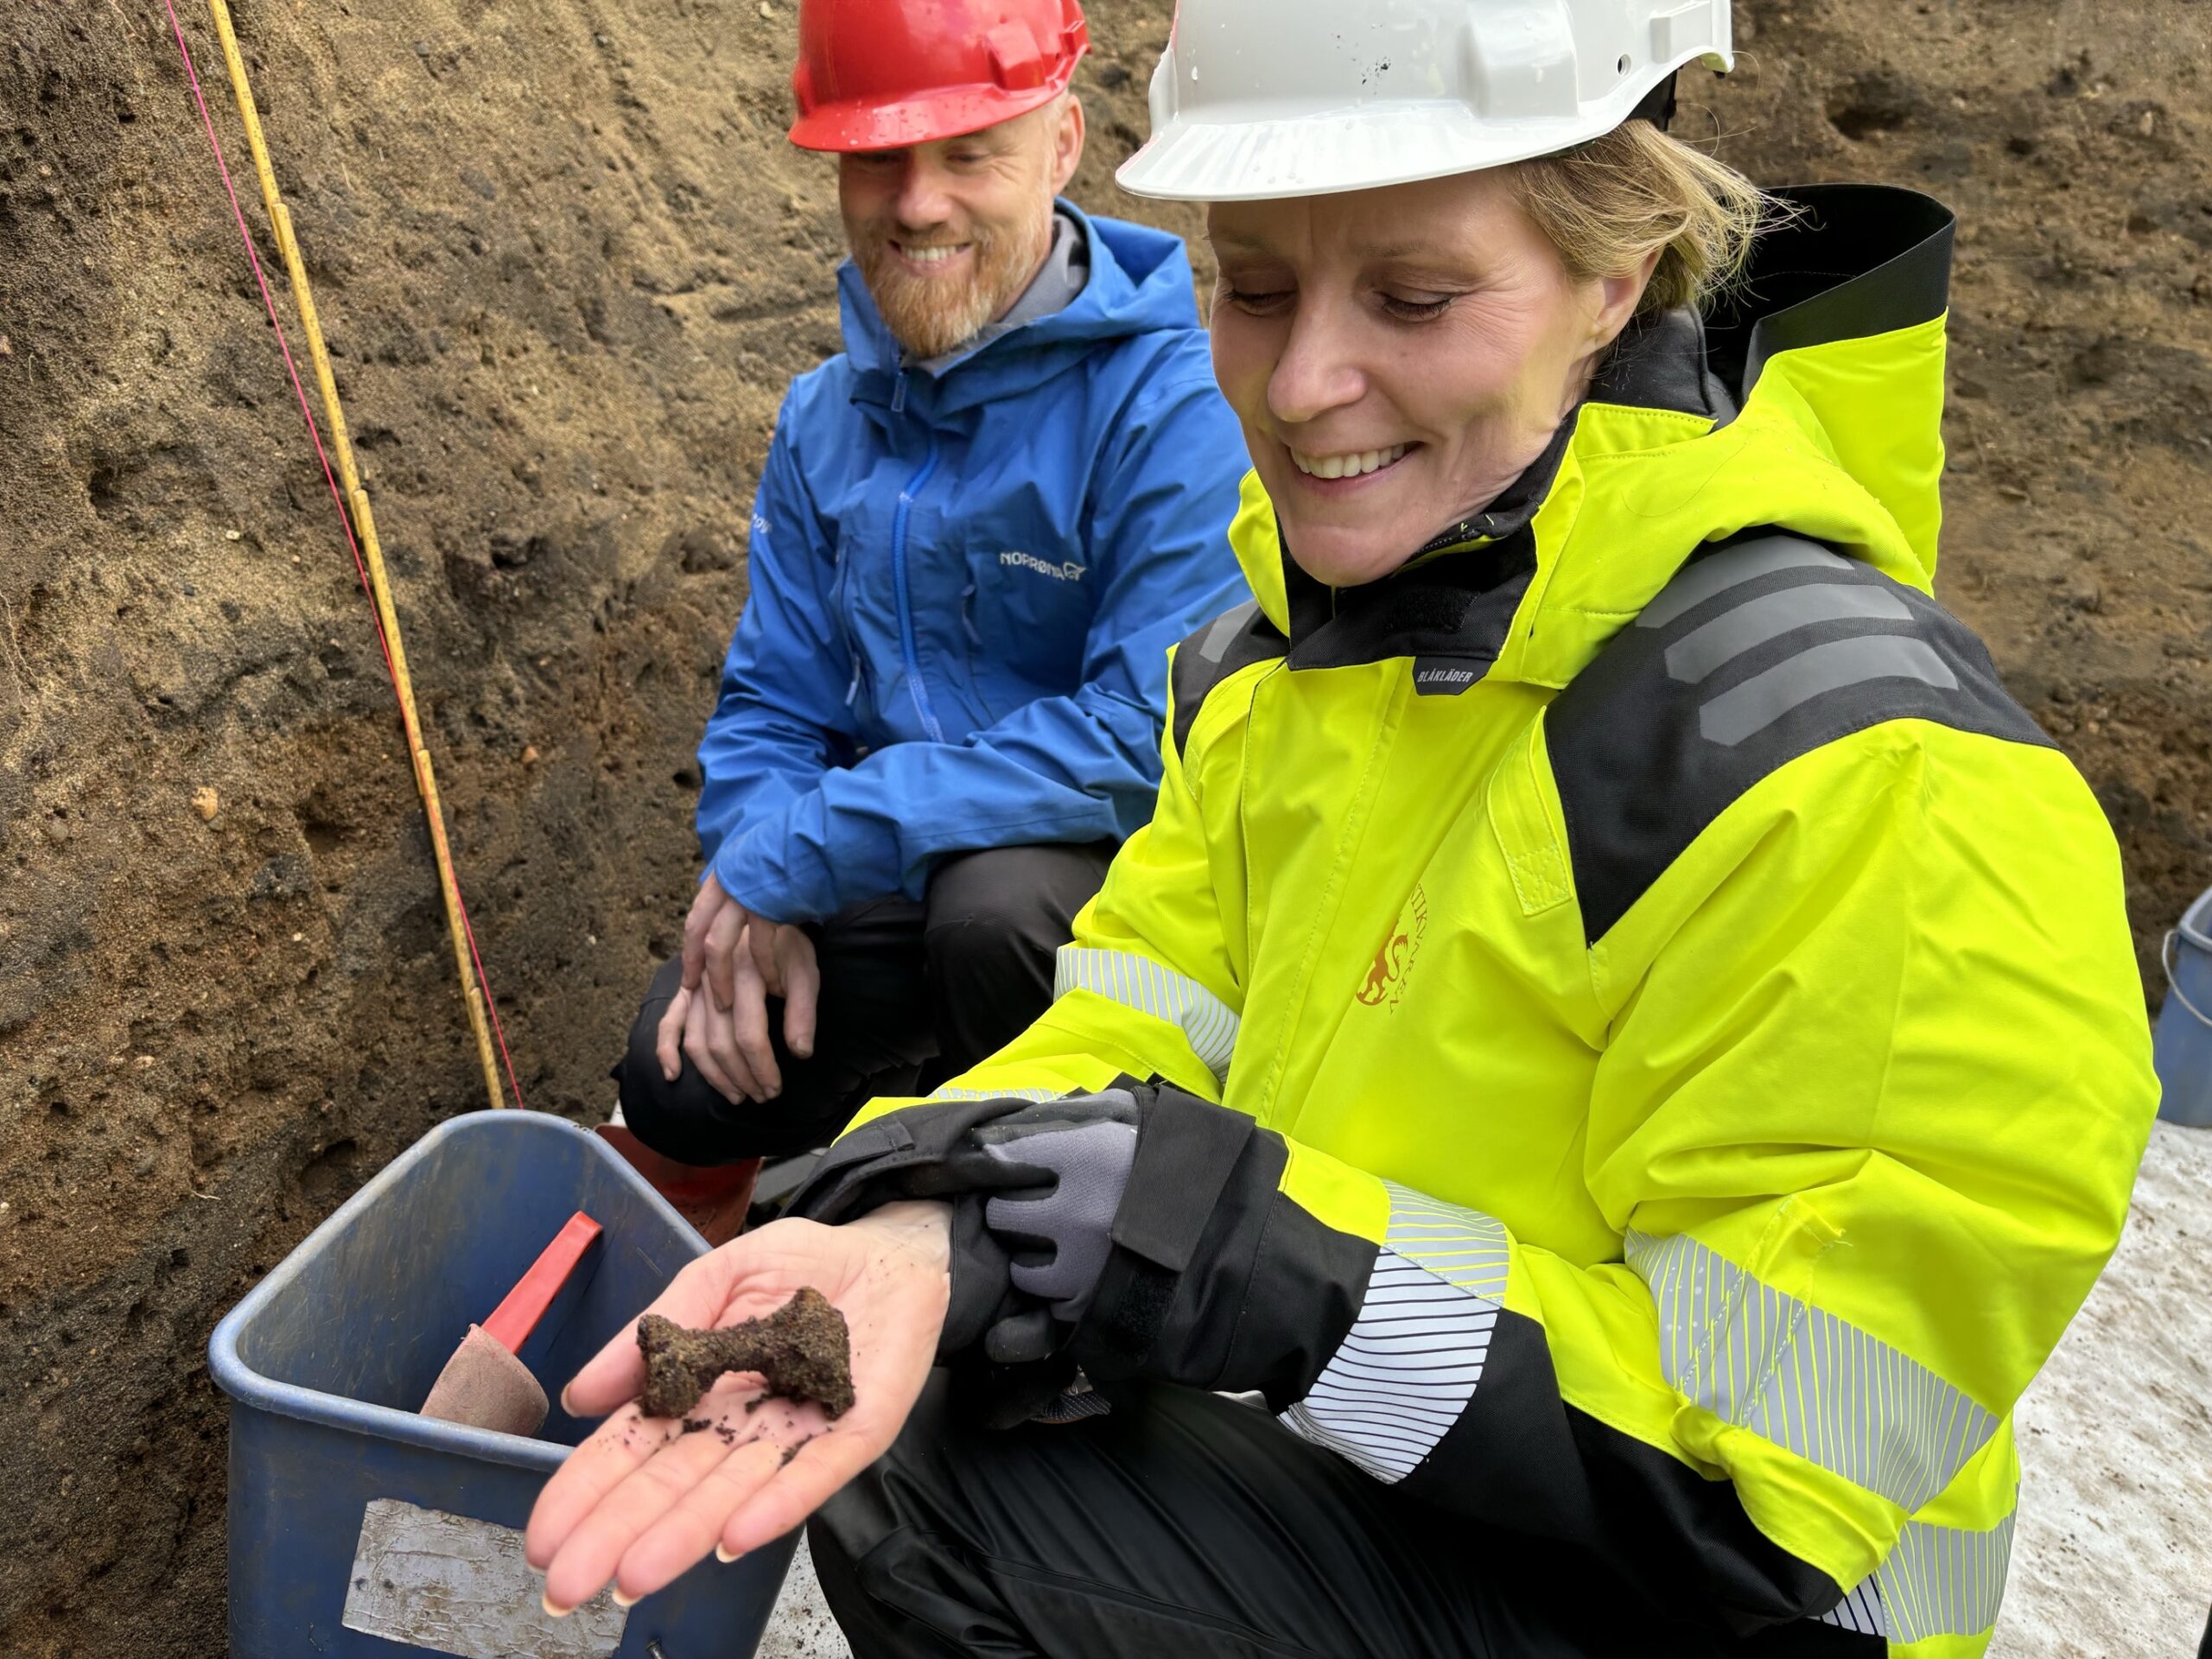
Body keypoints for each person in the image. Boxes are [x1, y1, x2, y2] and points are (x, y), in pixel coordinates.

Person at [531, 2, 2160, 1654]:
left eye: (1415, 297)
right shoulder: (1312, 646)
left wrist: (1227, 1249)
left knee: (961, 1484)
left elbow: (1771, 1484)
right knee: (905, 1403)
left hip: (1731, 1593)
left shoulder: (1858, 774)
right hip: (1446, 1455)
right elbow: (1138, 1004)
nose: (1303, 386)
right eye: (1253, 287)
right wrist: (933, 1218)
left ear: (1620, 271)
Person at [612, 0, 1252, 1187]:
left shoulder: (1175, 404)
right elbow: (772, 703)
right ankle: (904, 1127)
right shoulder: (824, 418)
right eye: (881, 160)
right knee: (678, 1080)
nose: (919, 204)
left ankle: (1055, 1210)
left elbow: (1146, 736)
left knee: (994, 913)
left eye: (971, 155)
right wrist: (763, 866)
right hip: (901, 868)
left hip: (1106, 893)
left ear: (1061, 146)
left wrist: (813, 846)